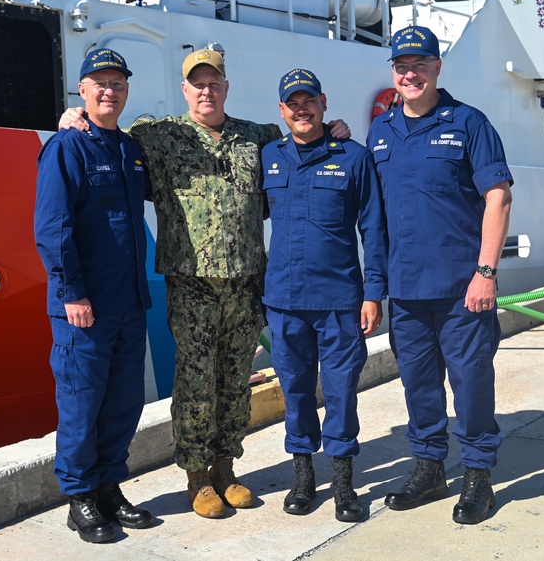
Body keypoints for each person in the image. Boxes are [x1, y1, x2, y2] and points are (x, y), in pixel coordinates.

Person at [59, 49, 352, 520]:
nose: (205, 91)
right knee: (195, 381)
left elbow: (304, 145)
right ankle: (197, 477)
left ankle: (225, 468)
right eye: (197, 84)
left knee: (235, 378)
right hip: (191, 280)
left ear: (226, 87)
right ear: (184, 90)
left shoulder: (259, 138)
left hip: (245, 279)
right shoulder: (158, 136)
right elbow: (105, 136)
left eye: (213, 82)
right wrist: (73, 116)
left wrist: (336, 130)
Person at [368, 25, 513, 525]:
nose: (411, 74)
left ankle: (477, 475)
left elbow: (498, 196)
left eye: (420, 64)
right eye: (402, 66)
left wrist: (486, 272)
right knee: (419, 385)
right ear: (394, 72)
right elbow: (373, 211)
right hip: (406, 289)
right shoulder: (381, 131)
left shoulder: (469, 123)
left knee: (471, 383)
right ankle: (429, 468)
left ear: (437, 68)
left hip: (460, 287)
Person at [34, 48, 154, 544]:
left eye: (118, 83)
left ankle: (108, 486)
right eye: (99, 83)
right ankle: (79, 497)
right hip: (83, 307)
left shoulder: (130, 149)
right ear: (81, 91)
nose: (110, 91)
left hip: (128, 303)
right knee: (82, 404)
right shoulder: (67, 147)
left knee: (123, 404)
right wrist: (70, 293)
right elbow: (52, 226)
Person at [261, 69, 387, 522]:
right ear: (282, 111)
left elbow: (373, 230)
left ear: (323, 103)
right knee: (294, 393)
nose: (301, 109)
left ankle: (343, 484)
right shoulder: (268, 157)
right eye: (292, 103)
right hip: (284, 302)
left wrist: (373, 294)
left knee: (340, 394)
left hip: (339, 303)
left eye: (309, 101)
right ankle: (303, 478)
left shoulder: (353, 157)